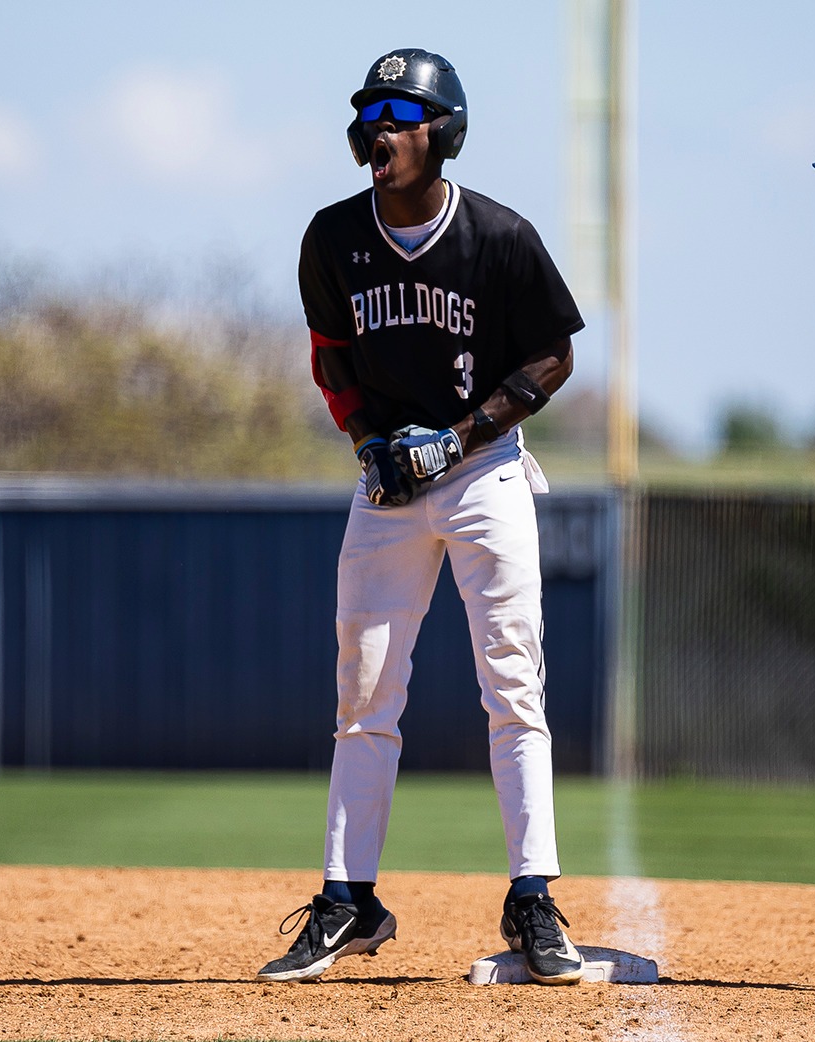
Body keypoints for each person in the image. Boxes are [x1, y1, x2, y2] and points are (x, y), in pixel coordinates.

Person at [258, 48, 587, 986]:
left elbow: (552, 357)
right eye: (370, 115)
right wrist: (368, 442)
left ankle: (534, 897)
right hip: (386, 485)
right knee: (362, 698)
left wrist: (461, 434)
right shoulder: (331, 238)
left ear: (445, 131)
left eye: (400, 115)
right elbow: (331, 359)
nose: (380, 132)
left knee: (512, 686)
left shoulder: (499, 236)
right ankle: (348, 899)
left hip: (485, 473)